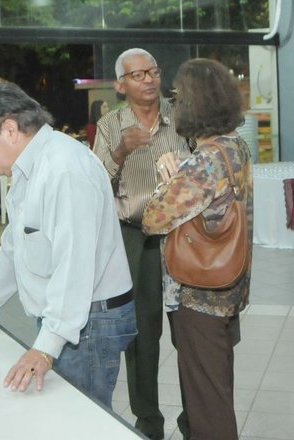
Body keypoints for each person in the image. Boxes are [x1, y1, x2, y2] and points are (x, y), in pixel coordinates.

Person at [0, 82, 135, 409]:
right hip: (70, 318)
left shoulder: (64, 169)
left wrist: (47, 346)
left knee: (78, 424)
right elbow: (15, 248)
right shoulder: (32, 169)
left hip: (88, 322)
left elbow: (75, 266)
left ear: (11, 130)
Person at [142, 58, 253, 440]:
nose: (174, 102)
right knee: (216, 387)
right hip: (227, 288)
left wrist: (168, 175)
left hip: (198, 294)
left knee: (207, 403)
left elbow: (154, 218)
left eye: (180, 96)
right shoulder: (235, 147)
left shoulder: (204, 162)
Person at [92, 48, 190, 440]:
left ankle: (194, 419)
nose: (149, 79)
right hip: (134, 238)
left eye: (153, 71)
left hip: (184, 235)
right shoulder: (110, 125)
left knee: (189, 332)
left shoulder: (184, 118)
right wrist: (119, 152)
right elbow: (94, 185)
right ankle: (149, 421)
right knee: (142, 334)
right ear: (121, 84)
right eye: (138, 75)